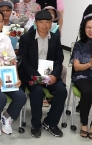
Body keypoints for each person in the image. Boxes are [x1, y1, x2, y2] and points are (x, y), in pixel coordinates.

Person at [18, 9, 67, 138]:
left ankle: (50, 123)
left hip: (49, 74)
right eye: (41, 22)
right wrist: (37, 77)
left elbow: (59, 59)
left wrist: (54, 75)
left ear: (51, 23)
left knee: (62, 91)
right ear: (36, 23)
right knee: (37, 91)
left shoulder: (55, 38)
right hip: (31, 74)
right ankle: (36, 124)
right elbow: (24, 61)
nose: (44, 25)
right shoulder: (26, 38)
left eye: (47, 22)